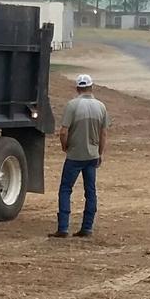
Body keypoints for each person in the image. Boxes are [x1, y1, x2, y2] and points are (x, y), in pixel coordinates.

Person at [51, 74, 109, 239]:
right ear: (92, 87)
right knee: (90, 191)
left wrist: (65, 146)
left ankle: (63, 227)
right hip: (91, 155)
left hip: (75, 155)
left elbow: (63, 131)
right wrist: (99, 153)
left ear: (77, 88)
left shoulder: (72, 105)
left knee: (65, 189)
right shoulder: (101, 106)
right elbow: (103, 133)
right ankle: (87, 227)